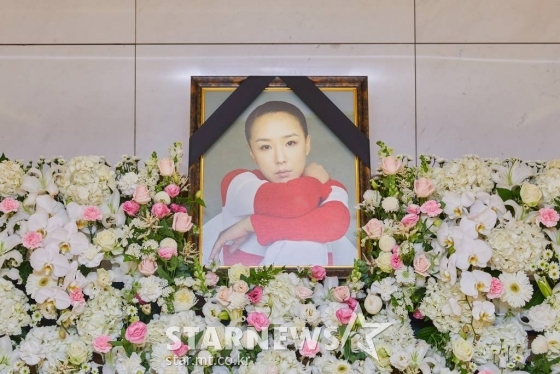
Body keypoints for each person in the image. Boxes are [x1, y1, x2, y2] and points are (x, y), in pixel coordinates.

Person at [202, 100, 355, 266]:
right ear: (252, 153)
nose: (280, 159)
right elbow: (293, 201)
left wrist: (250, 225)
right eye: (265, 147)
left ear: (307, 144)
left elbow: (333, 225)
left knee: (304, 245)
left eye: (290, 143)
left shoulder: (332, 187)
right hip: (242, 289)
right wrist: (315, 180)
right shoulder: (237, 183)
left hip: (315, 290)